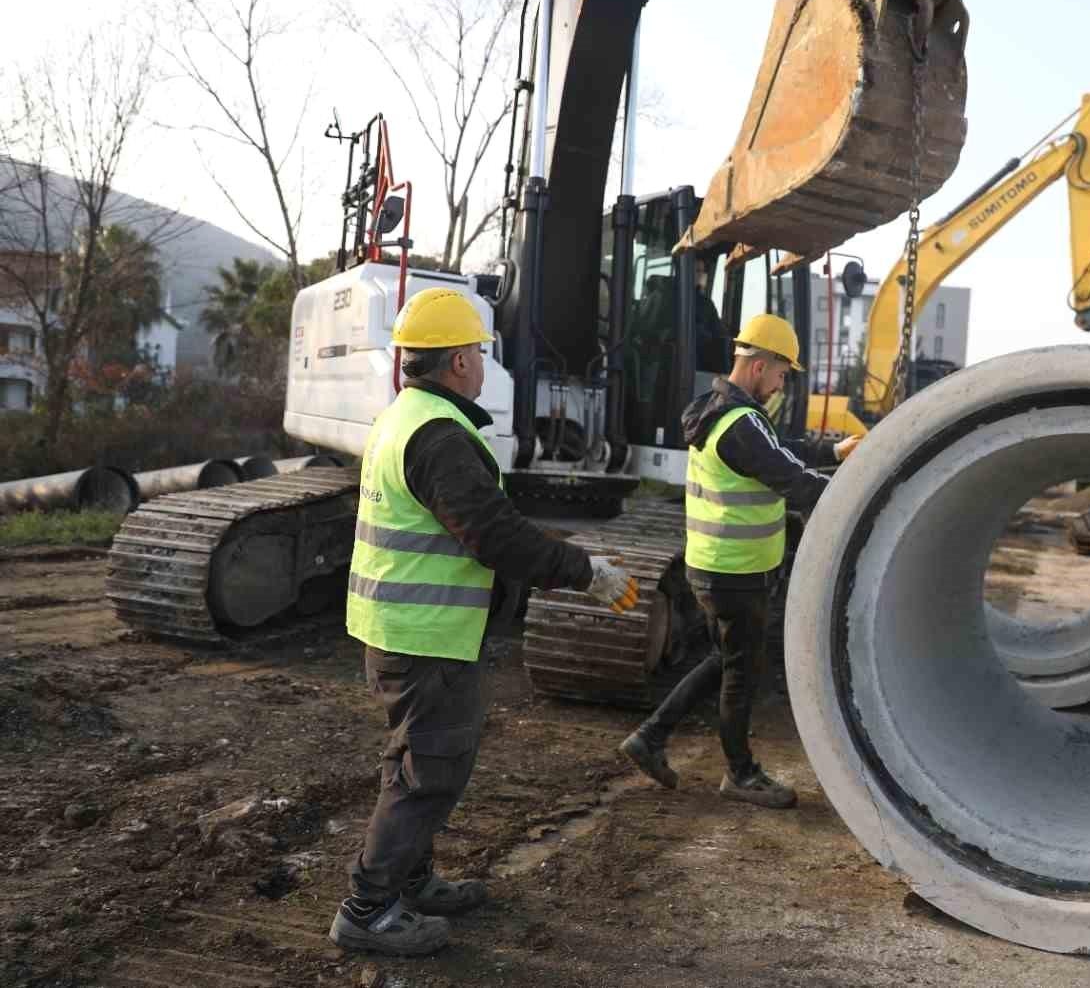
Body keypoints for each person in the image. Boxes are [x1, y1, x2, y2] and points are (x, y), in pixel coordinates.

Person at [329, 287, 640, 956]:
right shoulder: (440, 437)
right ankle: (368, 907)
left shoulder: (404, 418)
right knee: (430, 771)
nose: (480, 363)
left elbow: (482, 526)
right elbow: (494, 536)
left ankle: (411, 883)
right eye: (477, 352)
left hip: (401, 628)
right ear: (461, 361)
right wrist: (585, 572)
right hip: (425, 635)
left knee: (418, 761)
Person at [619, 313, 860, 808]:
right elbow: (790, 479)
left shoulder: (720, 412)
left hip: (715, 564)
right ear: (759, 365)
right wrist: (860, 490)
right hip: (736, 571)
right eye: (781, 373)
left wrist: (833, 450)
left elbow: (775, 453)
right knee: (741, 672)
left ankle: (650, 736)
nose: (781, 382)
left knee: (724, 660)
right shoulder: (742, 423)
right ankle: (740, 774)